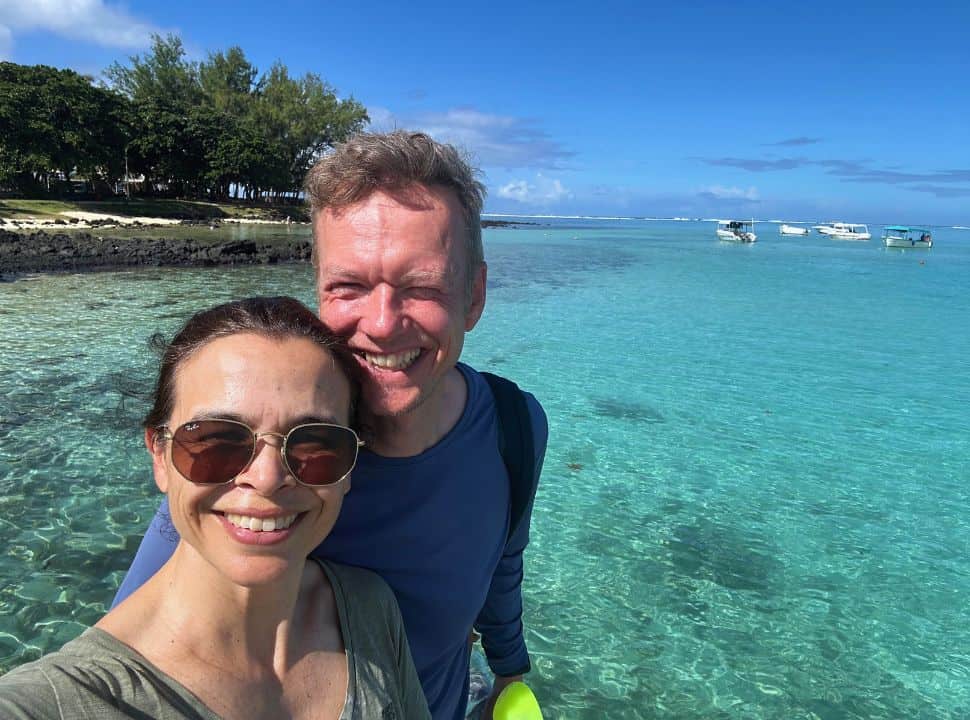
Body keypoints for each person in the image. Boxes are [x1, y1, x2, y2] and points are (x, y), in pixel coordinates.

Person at [113, 131, 549, 720]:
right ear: (318, 290)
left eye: (421, 286)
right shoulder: (262, 457)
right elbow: (127, 652)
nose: (383, 323)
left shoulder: (514, 428)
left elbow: (502, 560)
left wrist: (509, 668)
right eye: (349, 286)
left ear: (474, 294)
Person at [0, 296, 431, 719]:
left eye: (316, 444)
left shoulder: (368, 608)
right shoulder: (54, 702)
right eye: (216, 441)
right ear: (159, 455)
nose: (266, 478)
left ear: (350, 465)